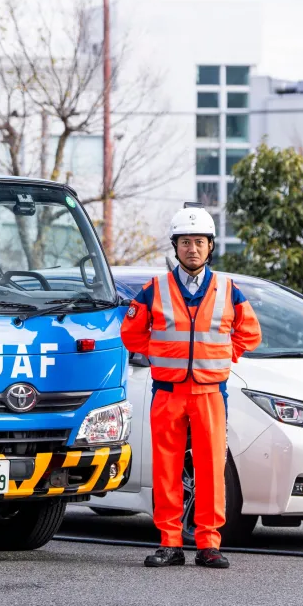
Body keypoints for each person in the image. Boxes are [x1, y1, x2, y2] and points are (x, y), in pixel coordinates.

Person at [120, 204, 262, 568]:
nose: (192, 249)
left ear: (210, 246)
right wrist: (161, 354)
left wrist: (224, 354)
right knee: (166, 468)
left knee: (211, 468)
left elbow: (250, 333)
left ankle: (208, 544)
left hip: (211, 394)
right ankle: (170, 543)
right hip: (167, 392)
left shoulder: (228, 290)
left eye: (199, 242)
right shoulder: (154, 290)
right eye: (185, 242)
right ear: (175, 246)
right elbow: (130, 334)